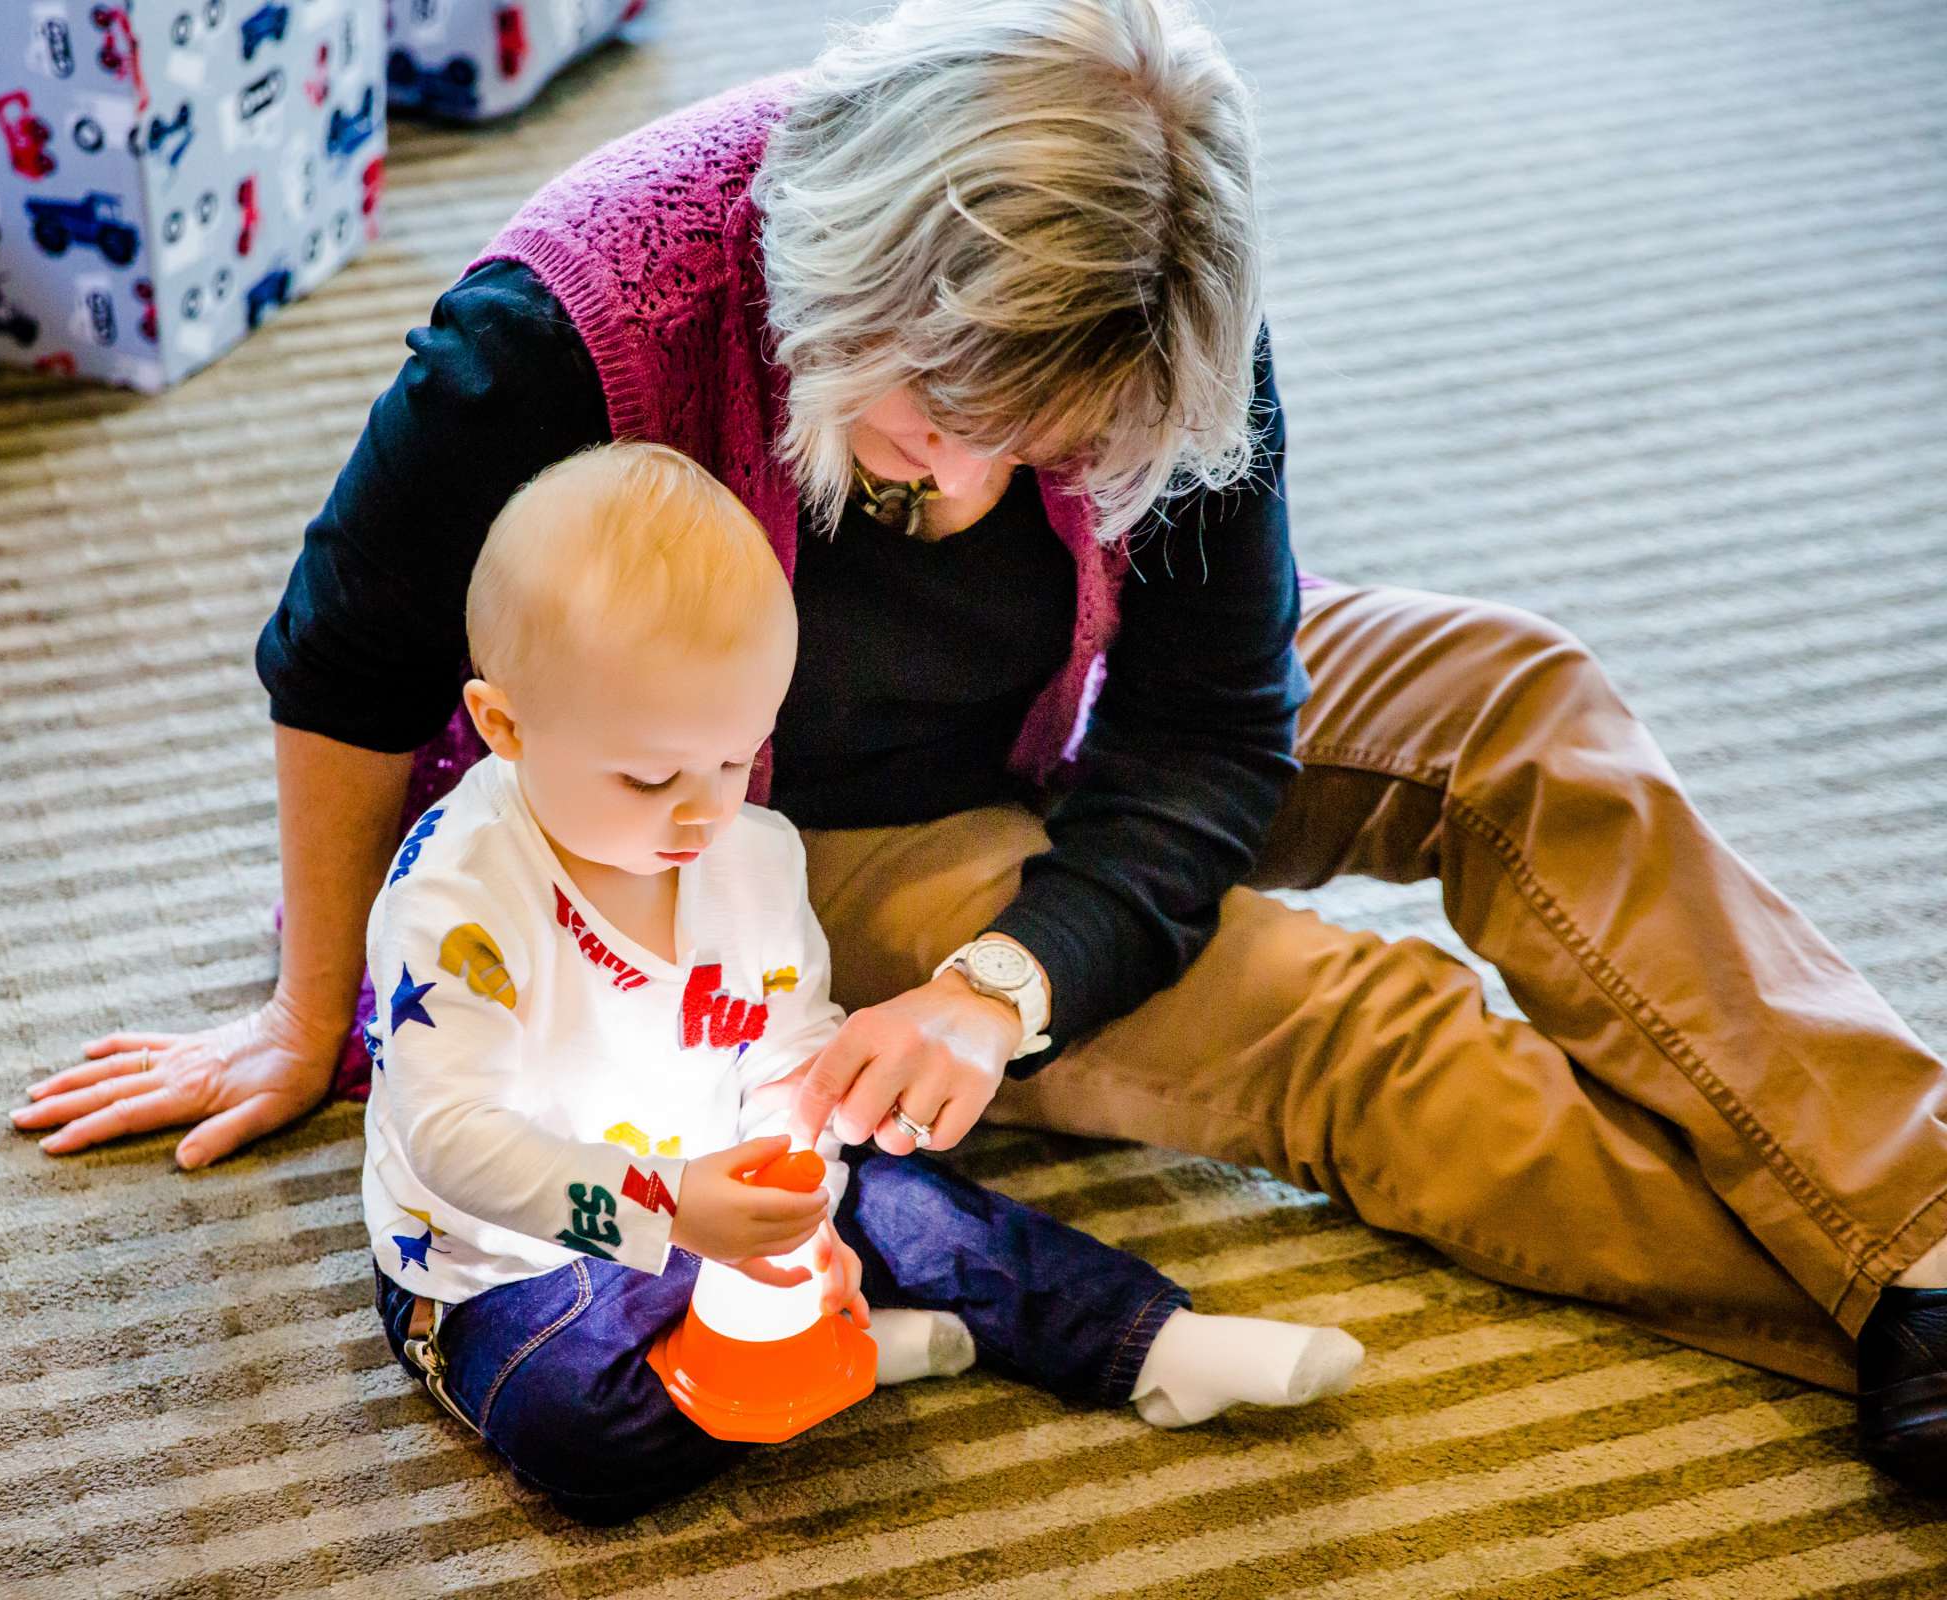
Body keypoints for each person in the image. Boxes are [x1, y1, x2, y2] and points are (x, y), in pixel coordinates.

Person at [12, 0, 1947, 1486]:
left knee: (1516, 694)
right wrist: (307, 1002)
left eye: (1066, 439)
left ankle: (1927, 1241)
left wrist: (1008, 989)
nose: (1011, 478)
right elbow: (343, 659)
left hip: (1071, 714)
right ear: (853, 285)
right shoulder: (570, 325)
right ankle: (1867, 1321)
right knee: (1346, 1026)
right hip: (765, 827)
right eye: (959, 421)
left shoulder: (1153, 311)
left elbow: (1208, 719)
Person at [354, 441, 1363, 1523]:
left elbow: (790, 1040)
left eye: (736, 757)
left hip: (717, 1178)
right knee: (575, 1420)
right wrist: (673, 1208)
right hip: (512, 1261)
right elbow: (451, 1139)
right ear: (505, 727)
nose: (703, 810)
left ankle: (1149, 1340)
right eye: (650, 776)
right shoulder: (457, 906)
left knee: (929, 1212)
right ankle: (830, 1354)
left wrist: (802, 1192)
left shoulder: (747, 853)